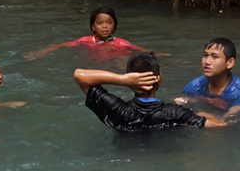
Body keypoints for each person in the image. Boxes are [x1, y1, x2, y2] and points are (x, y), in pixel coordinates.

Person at [76, 53, 226, 132]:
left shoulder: (118, 111)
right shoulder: (174, 113)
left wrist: (122, 80)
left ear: (130, 78)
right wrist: (203, 109)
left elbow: (80, 76)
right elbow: (218, 125)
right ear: (159, 78)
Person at [176, 37, 240, 117]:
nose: (207, 62)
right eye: (205, 55)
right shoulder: (194, 86)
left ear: (230, 63)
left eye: (214, 57)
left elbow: (228, 120)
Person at [27, 7, 143, 59]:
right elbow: (63, 45)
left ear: (114, 26)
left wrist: (158, 54)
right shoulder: (86, 41)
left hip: (114, 64)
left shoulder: (121, 43)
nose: (104, 26)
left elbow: (140, 50)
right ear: (93, 27)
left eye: (109, 22)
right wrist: (44, 51)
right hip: (93, 66)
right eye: (100, 23)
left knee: (123, 58)